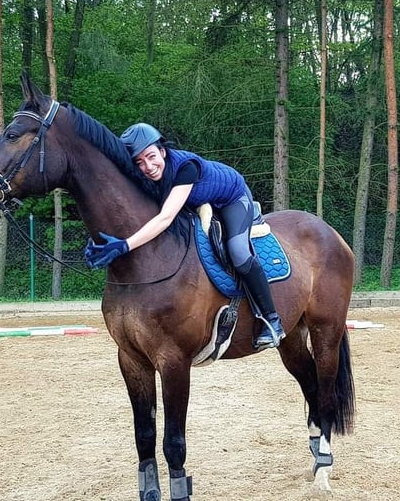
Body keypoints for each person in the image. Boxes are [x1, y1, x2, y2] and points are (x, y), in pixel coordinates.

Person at [83, 122, 285, 349]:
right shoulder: (148, 175)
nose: (148, 166)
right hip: (196, 201)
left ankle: (271, 320)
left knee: (238, 252)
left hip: (232, 198)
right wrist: (101, 239)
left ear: (162, 151)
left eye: (151, 156)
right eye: (139, 162)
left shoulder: (185, 168)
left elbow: (165, 218)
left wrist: (124, 246)